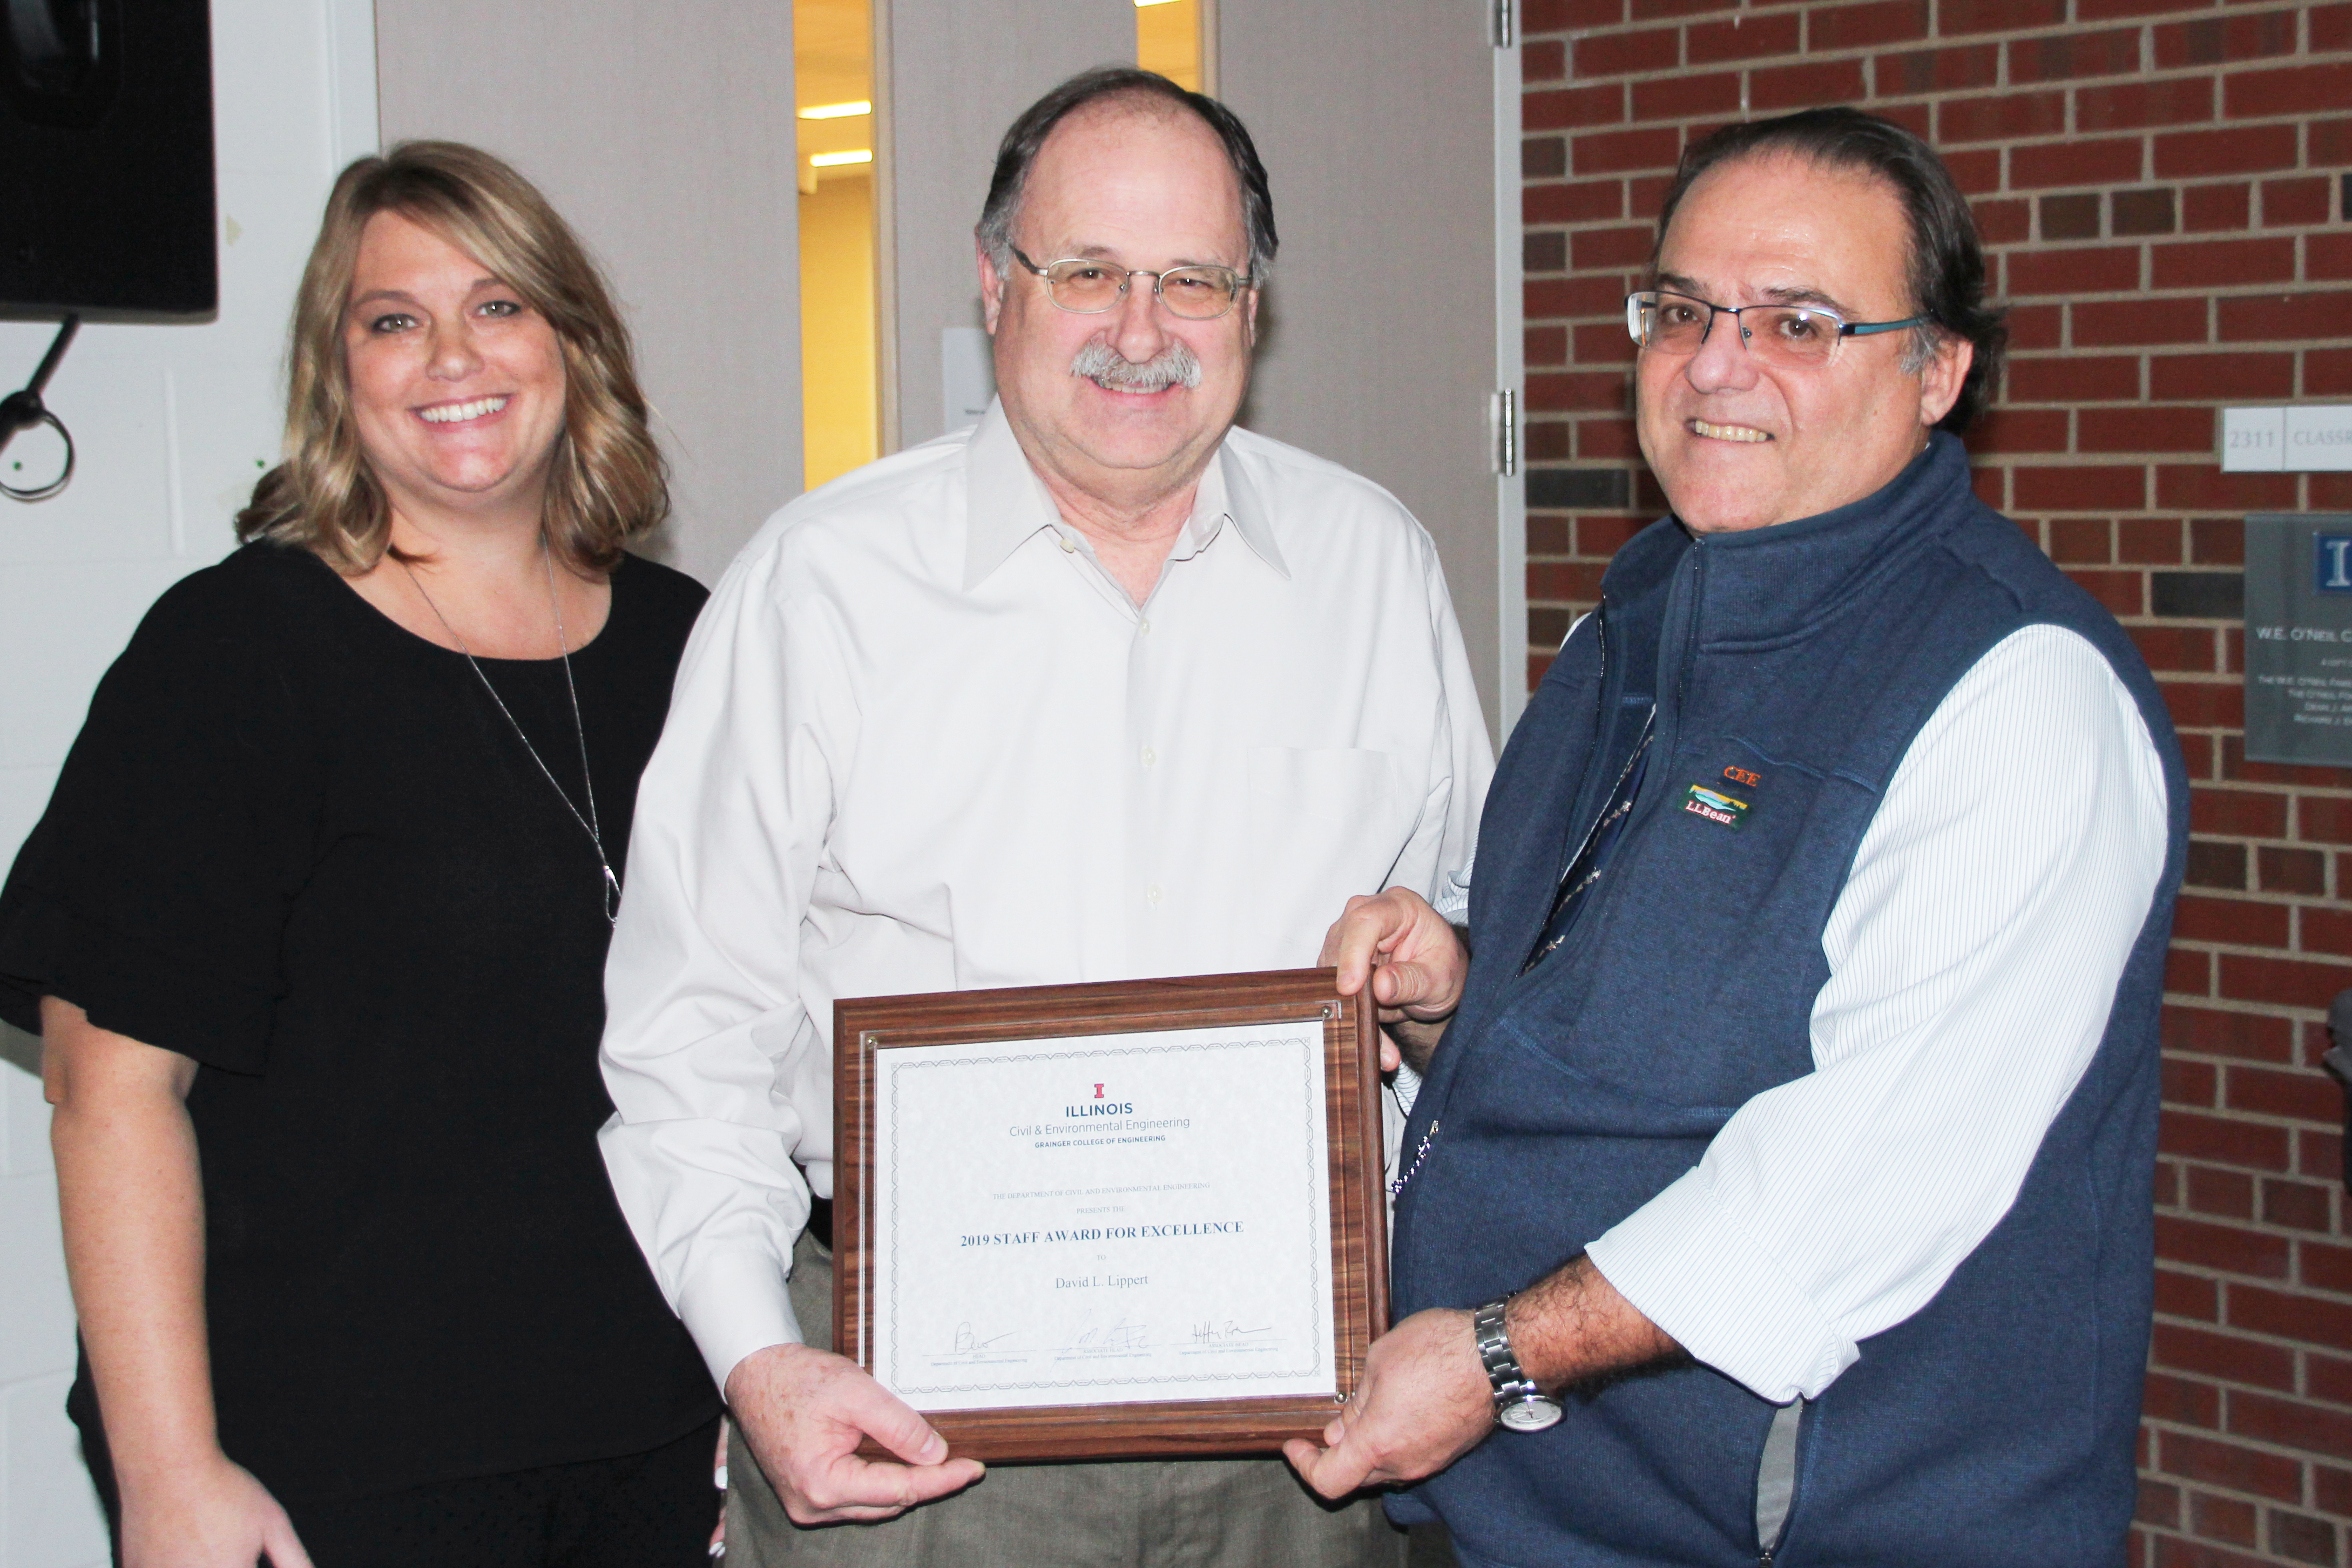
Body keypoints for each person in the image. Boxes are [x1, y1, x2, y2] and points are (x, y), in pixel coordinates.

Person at [597, 66, 1491, 1568]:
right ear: (993, 281)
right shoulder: (817, 588)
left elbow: (1460, 967)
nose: (1139, 333)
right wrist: (757, 1361)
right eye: (1085, 271)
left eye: (1191, 280)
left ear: (1252, 308)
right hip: (911, 1430)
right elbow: (690, 1027)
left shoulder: (1372, 568)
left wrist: (1439, 987)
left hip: (1295, 1440)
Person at [1292, 108, 2188, 1566]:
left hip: (1814, 1528)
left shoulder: (2012, 694)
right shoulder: (1633, 625)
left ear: (1937, 370)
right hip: (1553, 1515)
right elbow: (1645, 1038)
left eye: (1799, 321)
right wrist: (1458, 1001)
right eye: (1682, 309)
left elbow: (1858, 1182)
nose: (1716, 364)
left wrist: (1498, 1357)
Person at [1, 142, 721, 1567]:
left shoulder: (690, 643)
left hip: (643, 1428)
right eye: (393, 320)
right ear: (339, 375)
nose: (451, 354)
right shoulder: (238, 652)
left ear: (577, 342)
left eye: (500, 305)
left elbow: (740, 1057)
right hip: (324, 1459)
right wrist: (169, 1471)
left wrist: (744, 1374)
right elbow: (107, 1089)